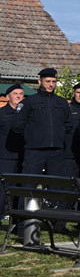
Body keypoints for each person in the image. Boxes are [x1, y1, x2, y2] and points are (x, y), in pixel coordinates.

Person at [12, 68, 73, 178]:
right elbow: (17, 125)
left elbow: (68, 125)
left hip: (56, 151)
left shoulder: (62, 102)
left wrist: (60, 137)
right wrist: (31, 138)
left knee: (57, 185)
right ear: (40, 81)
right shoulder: (29, 102)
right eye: (47, 81)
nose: (51, 85)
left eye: (53, 82)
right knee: (29, 183)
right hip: (34, 150)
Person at [0, 84, 25, 215]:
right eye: (15, 94)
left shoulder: (27, 114)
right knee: (2, 190)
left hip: (23, 156)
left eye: (21, 94)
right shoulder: (2, 113)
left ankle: (17, 220)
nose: (19, 96)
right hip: (5, 157)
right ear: (8, 96)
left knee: (19, 191)